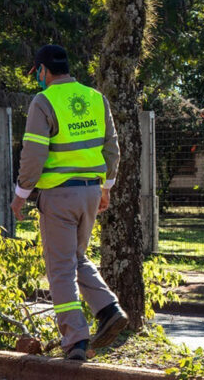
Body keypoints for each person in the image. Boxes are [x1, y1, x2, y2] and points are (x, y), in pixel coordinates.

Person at [9, 44, 127, 360]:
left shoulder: (43, 101)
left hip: (59, 195)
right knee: (75, 257)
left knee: (60, 268)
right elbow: (112, 149)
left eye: (36, 73)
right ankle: (108, 309)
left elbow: (33, 154)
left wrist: (21, 194)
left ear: (44, 70)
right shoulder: (95, 99)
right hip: (90, 192)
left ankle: (75, 340)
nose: (37, 78)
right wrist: (106, 188)